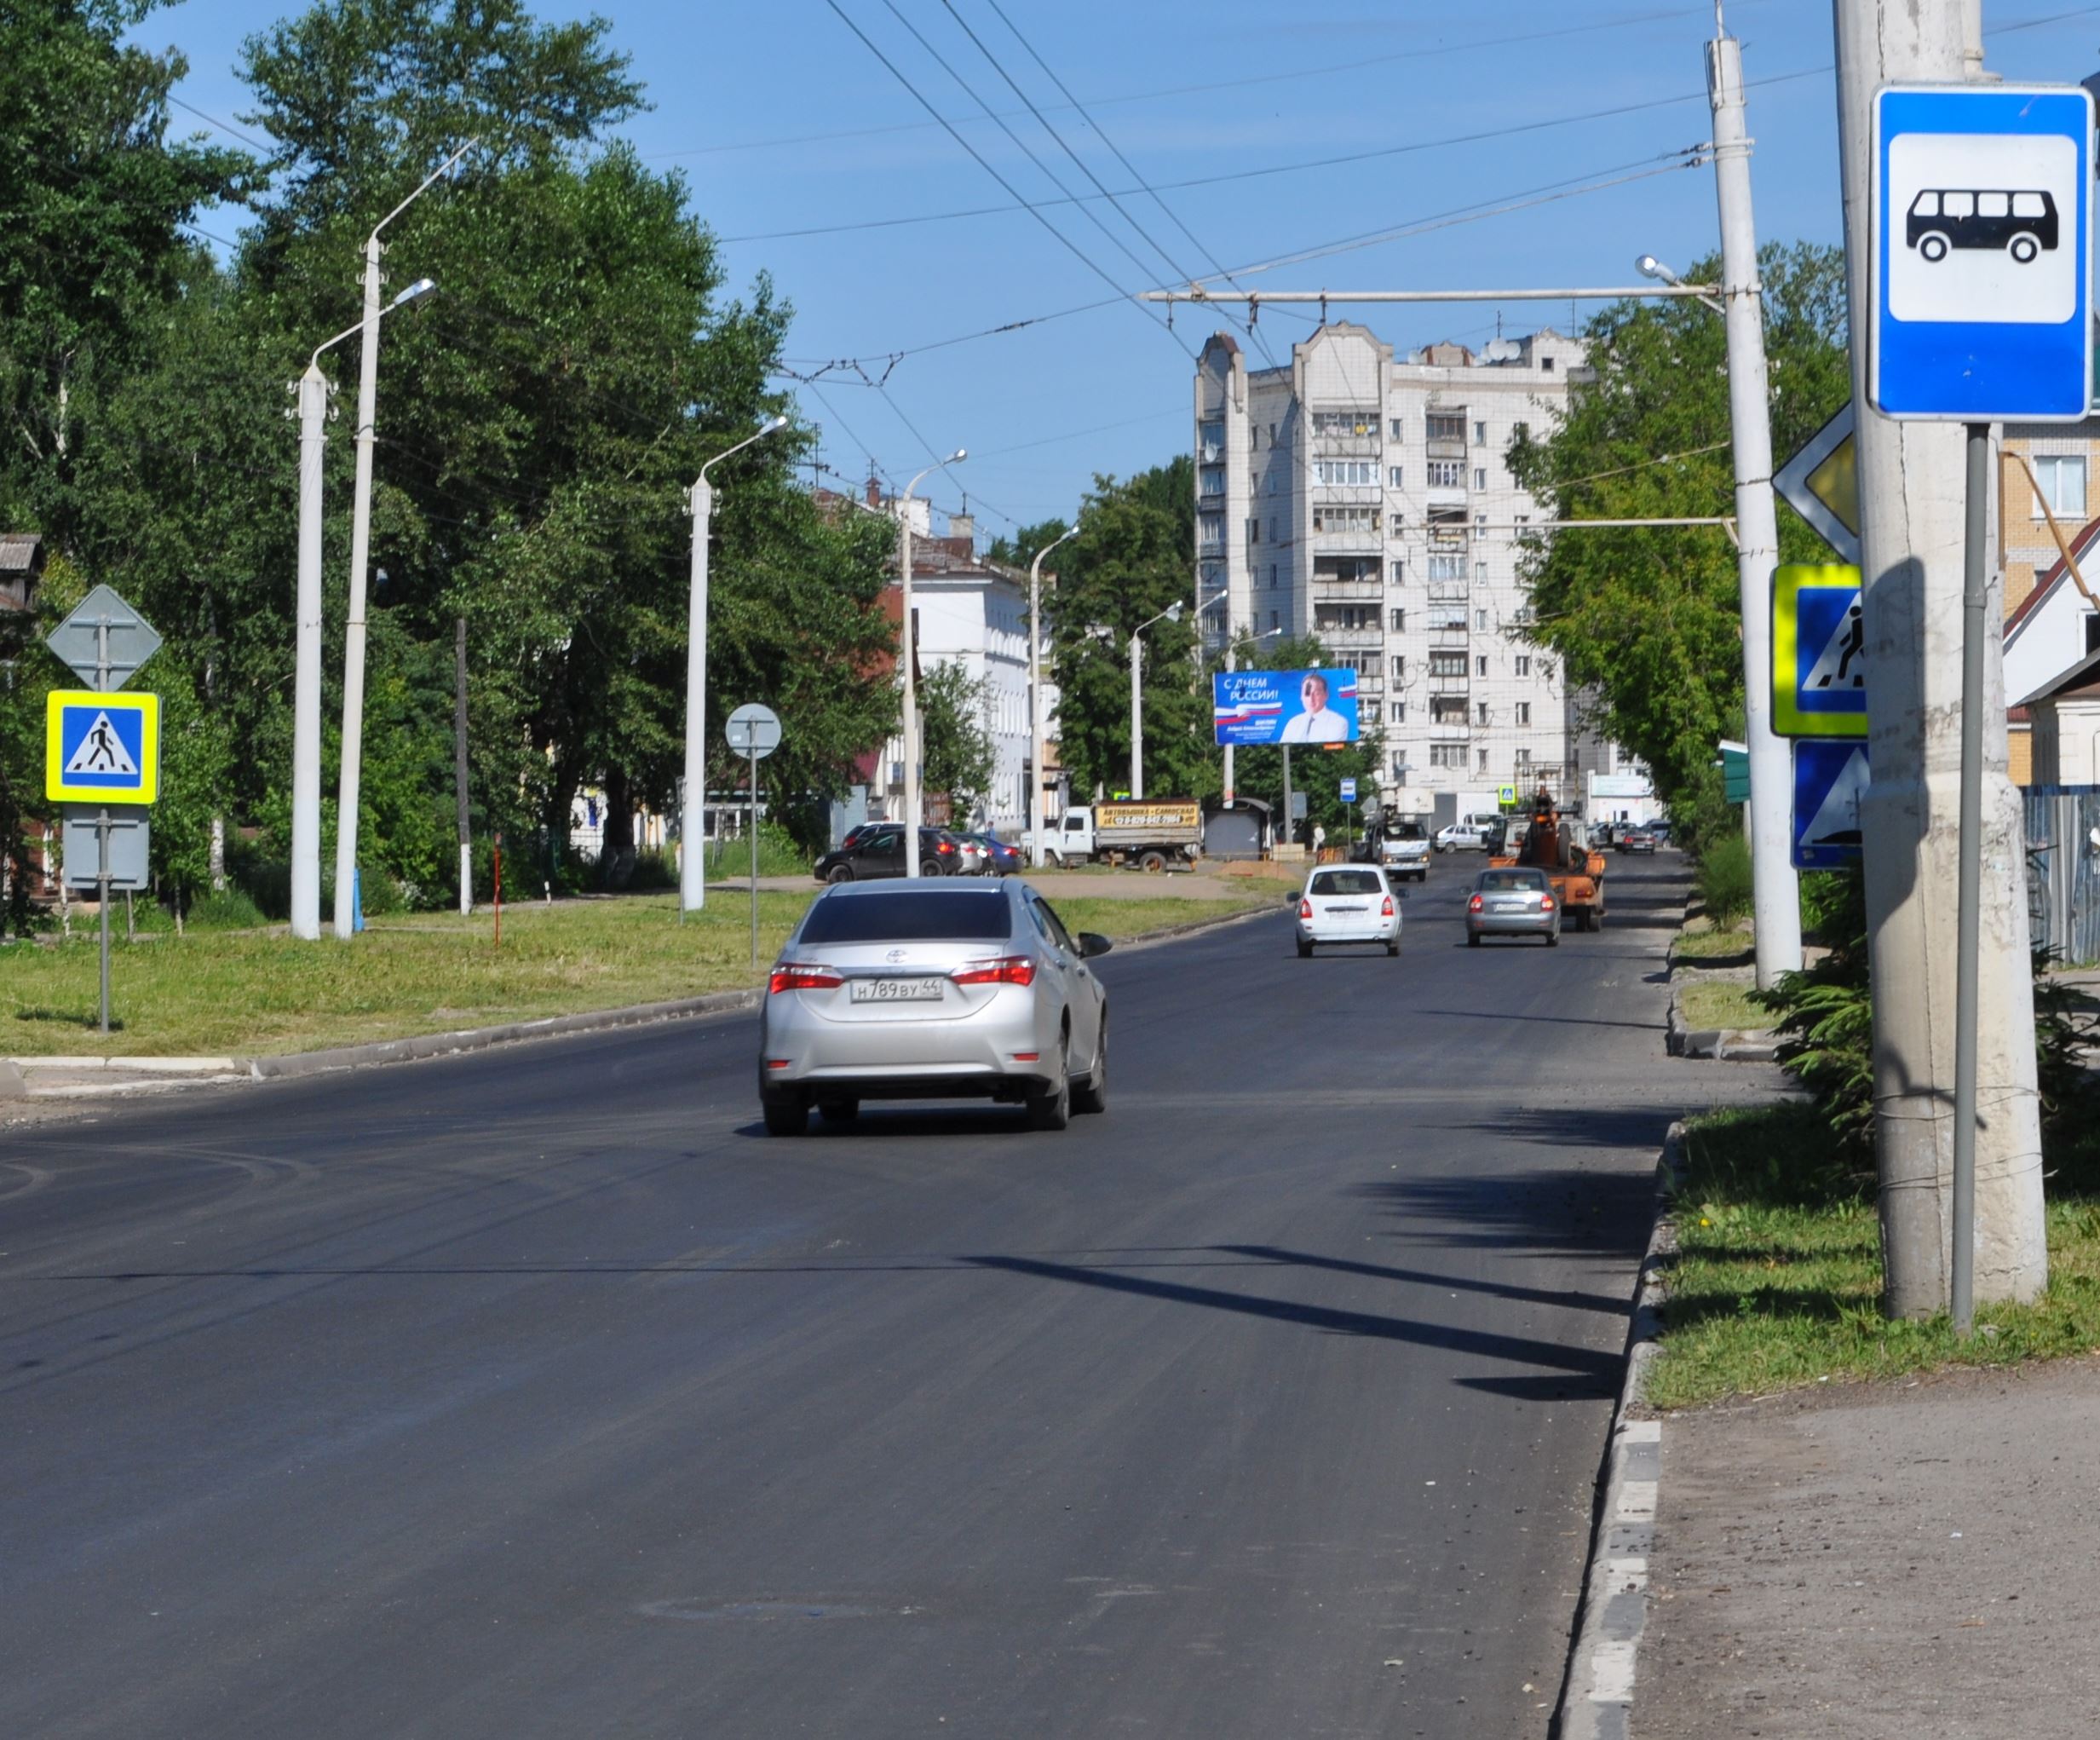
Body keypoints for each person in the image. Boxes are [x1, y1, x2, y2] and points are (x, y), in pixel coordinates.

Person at [1279, 671, 1349, 743]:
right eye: (1307, 694)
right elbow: (1283, 747)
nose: (1311, 699)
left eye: (1316, 694)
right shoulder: (1293, 723)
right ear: (1301, 697)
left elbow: (1332, 749)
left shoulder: (1338, 722)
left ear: (1326, 695)